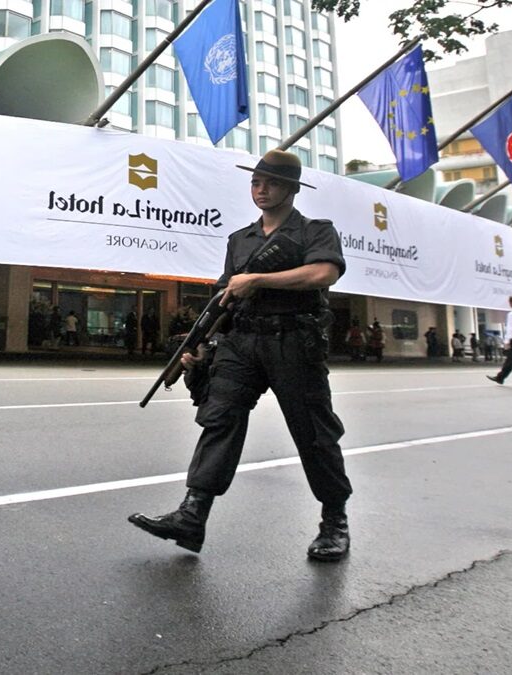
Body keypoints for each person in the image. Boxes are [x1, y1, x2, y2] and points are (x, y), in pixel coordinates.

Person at [128, 150, 351, 562]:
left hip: (292, 342)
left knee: (313, 432)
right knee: (219, 419)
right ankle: (192, 515)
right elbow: (224, 299)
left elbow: (324, 273)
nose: (261, 190)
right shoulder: (240, 239)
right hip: (241, 341)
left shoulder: (315, 231)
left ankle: (334, 521)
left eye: (272, 183)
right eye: (256, 182)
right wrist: (198, 347)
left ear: (292, 188)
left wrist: (259, 279)